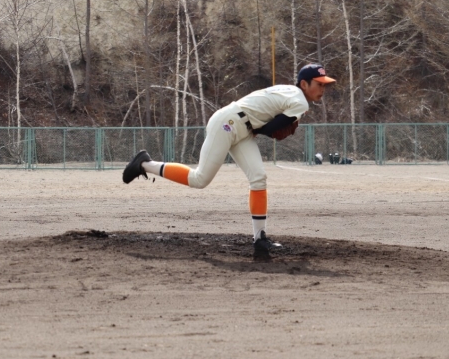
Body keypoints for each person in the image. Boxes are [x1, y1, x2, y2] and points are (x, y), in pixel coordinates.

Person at [122, 63, 336, 259]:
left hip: (243, 128)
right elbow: (272, 128)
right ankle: (144, 164)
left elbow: (267, 121)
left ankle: (260, 239)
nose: (323, 88)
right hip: (229, 123)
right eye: (319, 84)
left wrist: (269, 126)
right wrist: (274, 129)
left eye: (324, 84)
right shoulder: (300, 101)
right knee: (199, 179)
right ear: (304, 84)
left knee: (258, 178)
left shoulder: (289, 91)